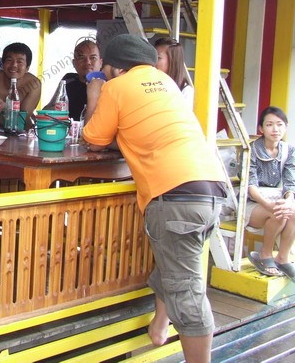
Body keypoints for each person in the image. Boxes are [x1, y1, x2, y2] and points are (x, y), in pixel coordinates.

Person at [82, 34, 226, 363]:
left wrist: (95, 94)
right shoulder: (165, 82)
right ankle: (159, 328)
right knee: (174, 264)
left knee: (187, 292)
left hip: (175, 194)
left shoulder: (117, 87)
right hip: (210, 188)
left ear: (114, 67)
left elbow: (94, 138)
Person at [246, 106, 295, 281]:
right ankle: (265, 254)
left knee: (291, 210)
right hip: (252, 203)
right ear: (261, 128)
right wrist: (268, 205)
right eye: (269, 125)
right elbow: (250, 185)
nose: (275, 129)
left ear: (286, 127)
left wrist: (288, 201)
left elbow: (290, 182)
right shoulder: (251, 149)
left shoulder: (289, 150)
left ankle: (283, 257)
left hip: (275, 199)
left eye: (279, 124)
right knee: (278, 212)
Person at [42, 38, 102, 120]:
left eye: (93, 58)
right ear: (74, 63)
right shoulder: (68, 81)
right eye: (81, 58)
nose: (88, 62)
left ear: (101, 63)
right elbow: (47, 110)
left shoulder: (109, 85)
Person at [0, 42, 41, 131]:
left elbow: (22, 118)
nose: (14, 65)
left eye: (20, 62)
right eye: (9, 60)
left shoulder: (34, 84)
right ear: (2, 64)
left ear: (27, 68)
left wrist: (6, 107)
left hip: (20, 131)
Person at [154, 37, 194, 108]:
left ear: (172, 61)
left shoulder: (186, 92)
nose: (154, 61)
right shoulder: (151, 84)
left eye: (158, 58)